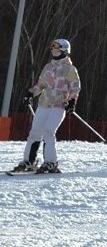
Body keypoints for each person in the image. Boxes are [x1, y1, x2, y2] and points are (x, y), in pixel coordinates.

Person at [12, 38, 81, 174]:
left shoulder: (70, 69)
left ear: (64, 50)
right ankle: (29, 161)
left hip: (59, 105)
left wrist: (72, 101)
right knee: (35, 132)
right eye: (52, 47)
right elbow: (41, 85)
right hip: (44, 104)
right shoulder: (48, 67)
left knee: (49, 131)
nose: (53, 50)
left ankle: (51, 162)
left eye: (56, 47)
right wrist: (30, 94)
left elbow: (75, 87)